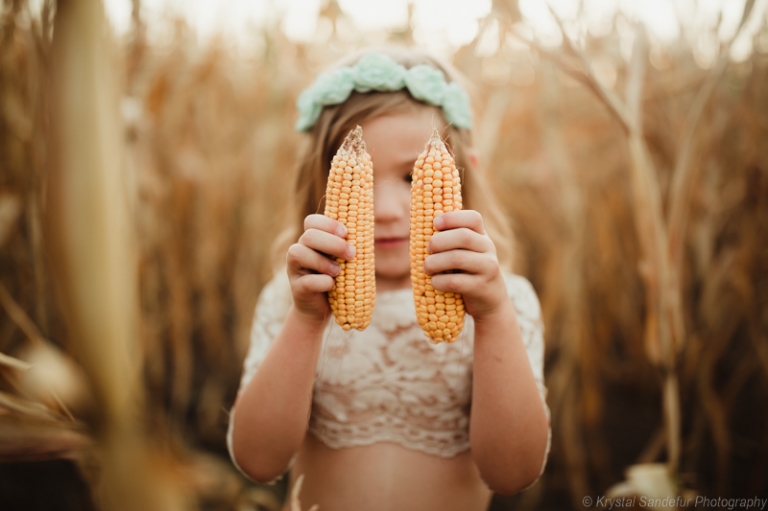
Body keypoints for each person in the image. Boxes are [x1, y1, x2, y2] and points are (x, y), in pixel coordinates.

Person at [227, 47, 551, 511]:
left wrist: (495, 317)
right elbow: (258, 461)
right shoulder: (290, 299)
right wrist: (305, 320)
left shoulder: (506, 301)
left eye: (414, 178)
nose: (385, 210)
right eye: (360, 180)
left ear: (465, 179)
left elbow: (513, 474)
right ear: (319, 184)